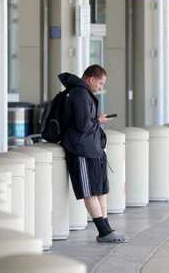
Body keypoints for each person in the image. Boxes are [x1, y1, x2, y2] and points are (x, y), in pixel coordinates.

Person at [59, 65, 126, 244]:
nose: (101, 87)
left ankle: (106, 229)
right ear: (91, 79)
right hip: (81, 150)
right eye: (100, 83)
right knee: (90, 191)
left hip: (92, 148)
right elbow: (82, 126)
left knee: (101, 189)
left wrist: (97, 121)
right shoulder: (79, 94)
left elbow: (86, 122)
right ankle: (103, 231)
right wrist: (98, 120)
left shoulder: (84, 94)